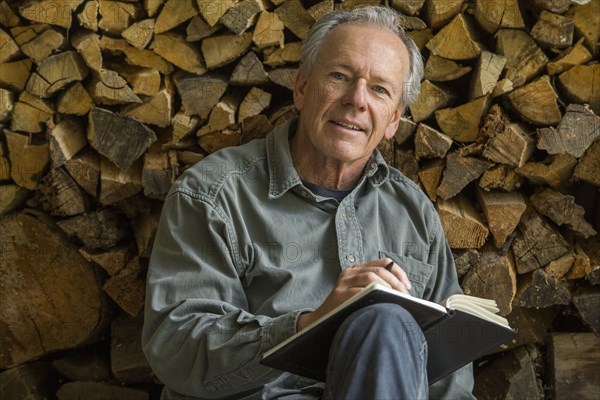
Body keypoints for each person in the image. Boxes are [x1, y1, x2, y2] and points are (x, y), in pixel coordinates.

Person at [143, 5, 476, 400]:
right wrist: (309, 325)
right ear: (302, 88)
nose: (357, 100)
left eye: (379, 89)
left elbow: (450, 382)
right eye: (340, 76)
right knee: (385, 321)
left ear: (392, 122)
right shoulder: (213, 195)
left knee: (386, 325)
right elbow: (177, 349)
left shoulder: (413, 214)